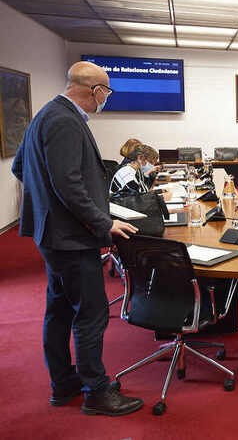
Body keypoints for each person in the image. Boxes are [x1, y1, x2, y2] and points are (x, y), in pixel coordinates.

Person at [11, 61, 143, 416]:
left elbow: (19, 168)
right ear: (95, 91)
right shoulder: (66, 121)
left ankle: (64, 383)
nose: (107, 99)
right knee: (91, 312)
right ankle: (96, 392)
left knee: (58, 310)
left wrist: (44, 205)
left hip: (52, 235)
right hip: (71, 239)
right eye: (107, 92)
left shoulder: (45, 115)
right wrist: (103, 224)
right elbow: (69, 185)